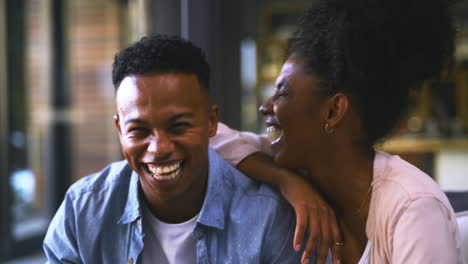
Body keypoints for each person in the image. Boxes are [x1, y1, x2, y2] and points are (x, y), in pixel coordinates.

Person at [212, 0, 465, 263]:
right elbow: (208, 135)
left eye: (282, 92)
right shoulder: (299, 170)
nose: (266, 107)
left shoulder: (412, 206)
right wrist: (285, 180)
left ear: (333, 111)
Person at [43, 35, 305, 263]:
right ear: (120, 129)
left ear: (211, 122)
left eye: (178, 126)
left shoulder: (268, 217)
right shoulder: (82, 210)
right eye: (139, 130)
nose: (159, 149)